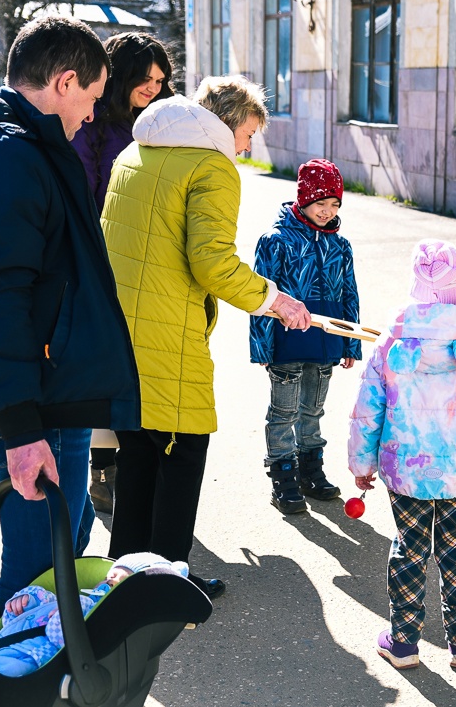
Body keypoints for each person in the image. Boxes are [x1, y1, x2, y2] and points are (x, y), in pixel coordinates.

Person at [0, 16, 142, 608]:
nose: (92, 116)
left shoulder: (19, 146)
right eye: (93, 99)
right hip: (32, 398)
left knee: (65, 546)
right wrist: (20, 430)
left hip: (48, 387)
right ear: (66, 82)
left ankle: (45, 669)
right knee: (37, 571)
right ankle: (14, 675)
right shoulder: (4, 157)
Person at [100, 76, 312, 599]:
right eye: (249, 134)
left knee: (140, 448)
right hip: (167, 325)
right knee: (184, 446)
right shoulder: (210, 165)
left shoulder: (136, 149)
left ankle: (125, 568)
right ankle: (169, 575)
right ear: (231, 120)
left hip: (119, 322)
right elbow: (212, 261)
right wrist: (274, 300)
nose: (246, 147)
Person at [349, 240, 456, 671]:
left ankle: (402, 643)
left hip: (407, 473)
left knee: (409, 550)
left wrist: (362, 465)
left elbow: (368, 411)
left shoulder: (392, 342)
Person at [70, 31, 175, 515]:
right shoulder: (95, 124)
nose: (153, 87)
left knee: (139, 368)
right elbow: (86, 195)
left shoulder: (164, 123)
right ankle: (101, 468)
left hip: (153, 262)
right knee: (104, 369)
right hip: (104, 262)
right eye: (144, 77)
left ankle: (133, 465)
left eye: (160, 79)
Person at [251, 158, 361, 514]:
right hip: (286, 342)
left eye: (334, 205)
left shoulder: (340, 246)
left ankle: (310, 471)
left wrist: (350, 341)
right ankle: (283, 476)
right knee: (284, 412)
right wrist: (262, 345)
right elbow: (260, 295)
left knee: (313, 409)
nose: (328, 212)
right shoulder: (275, 240)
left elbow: (349, 294)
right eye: (321, 204)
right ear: (303, 200)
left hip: (326, 342)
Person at [0, 553, 188, 687]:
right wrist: (25, 602)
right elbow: (13, 623)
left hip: (34, 658)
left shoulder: (98, 615)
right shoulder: (76, 598)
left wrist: (68, 609)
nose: (111, 579)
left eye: (121, 580)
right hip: (4, 642)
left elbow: (61, 637)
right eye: (109, 576)